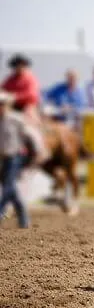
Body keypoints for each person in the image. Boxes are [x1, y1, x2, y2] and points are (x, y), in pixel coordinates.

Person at [0, 92, 31, 228]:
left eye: (2, 104)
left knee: (7, 187)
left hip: (15, 157)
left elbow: (29, 137)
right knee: (11, 188)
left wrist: (32, 155)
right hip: (3, 158)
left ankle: (0, 212)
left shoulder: (16, 119)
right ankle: (24, 218)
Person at [1, 54, 40, 122]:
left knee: (29, 118)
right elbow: (2, 89)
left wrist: (14, 96)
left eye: (21, 65)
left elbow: (32, 95)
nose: (19, 68)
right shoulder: (10, 79)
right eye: (16, 66)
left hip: (26, 106)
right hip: (11, 106)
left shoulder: (30, 79)